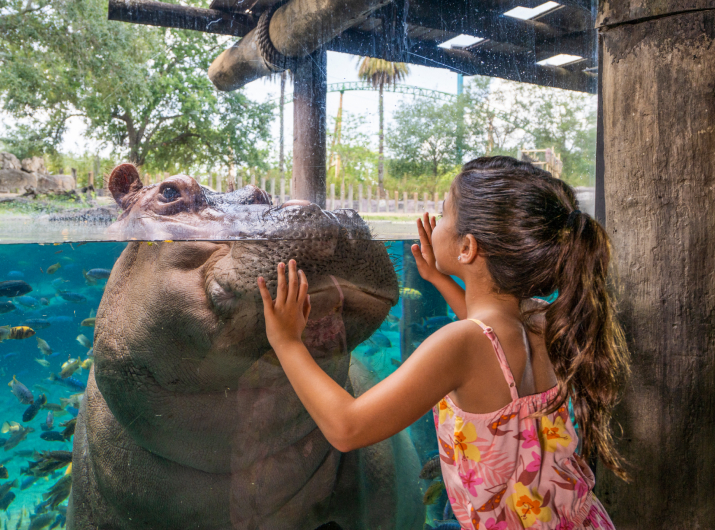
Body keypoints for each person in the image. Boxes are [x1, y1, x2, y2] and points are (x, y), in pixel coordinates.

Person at [257, 156, 628, 529]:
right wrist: (438, 278)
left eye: (444, 212)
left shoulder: (460, 343)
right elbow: (490, 342)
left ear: (467, 248)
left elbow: (347, 427)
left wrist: (287, 341)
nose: (434, 221)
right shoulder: (542, 318)